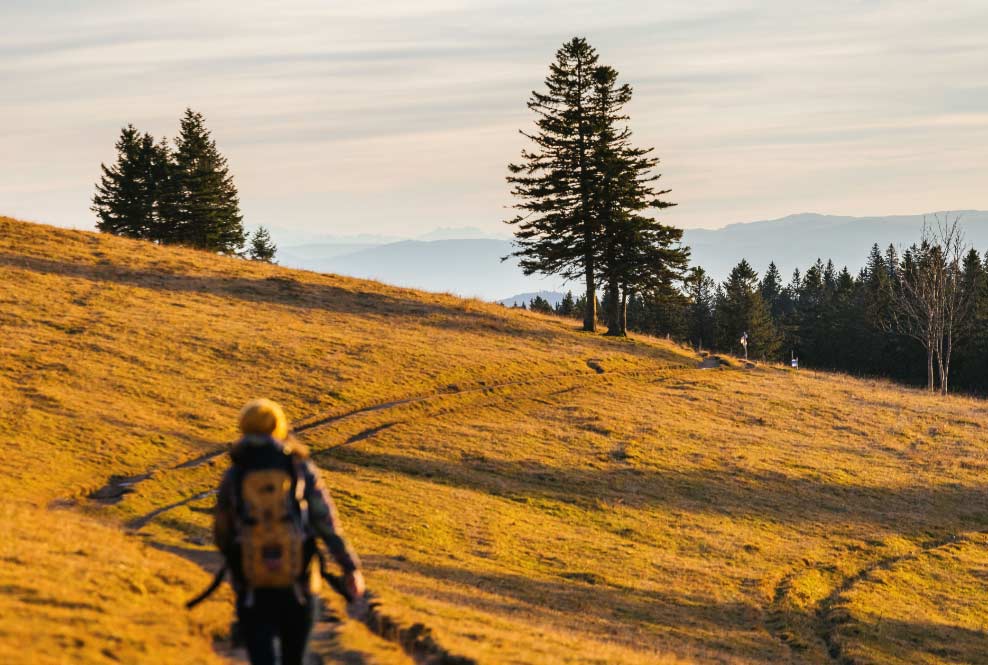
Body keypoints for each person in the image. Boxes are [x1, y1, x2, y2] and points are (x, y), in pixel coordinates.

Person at [213, 398, 365, 665]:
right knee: (294, 658)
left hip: (253, 584)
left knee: (262, 658)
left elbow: (222, 532)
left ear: (244, 427)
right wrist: (350, 567)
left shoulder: (235, 473)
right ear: (279, 427)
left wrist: (241, 559)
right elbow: (325, 523)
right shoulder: (299, 468)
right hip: (299, 580)